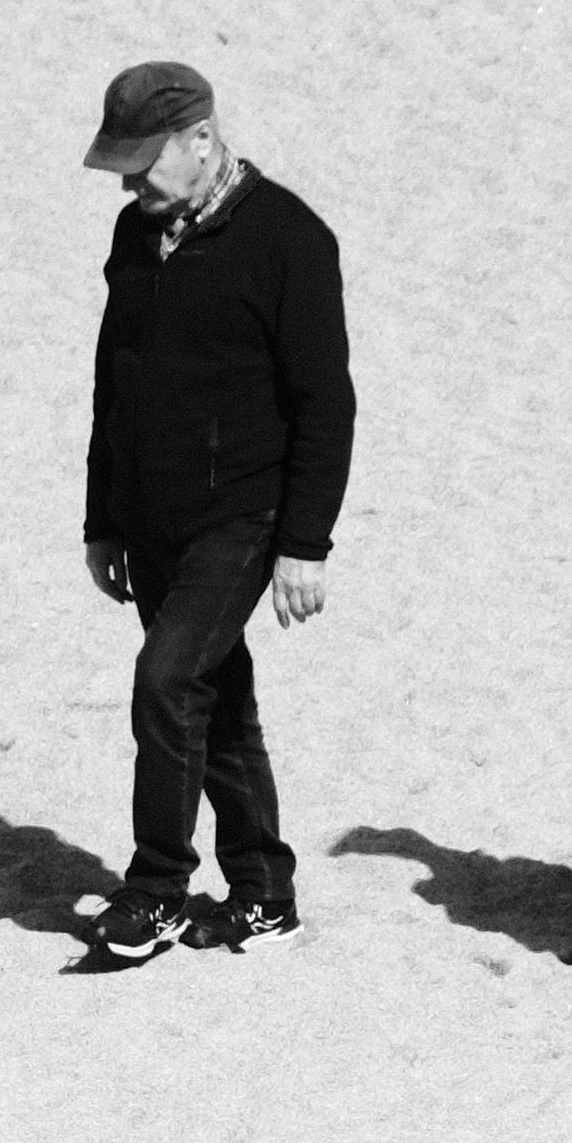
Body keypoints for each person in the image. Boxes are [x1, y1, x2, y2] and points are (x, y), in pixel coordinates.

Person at [74, 59, 355, 970]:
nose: (126, 182)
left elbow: (325, 403)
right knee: (213, 697)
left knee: (165, 684)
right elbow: (111, 381)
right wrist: (101, 517)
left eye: (141, 161)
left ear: (202, 139)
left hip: (242, 514)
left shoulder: (289, 240)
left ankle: (154, 889)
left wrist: (303, 544)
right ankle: (265, 894)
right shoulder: (133, 233)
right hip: (148, 515)